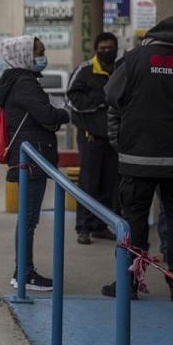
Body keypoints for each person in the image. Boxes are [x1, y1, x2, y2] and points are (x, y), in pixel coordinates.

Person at [103, 17, 173, 301]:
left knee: (133, 221)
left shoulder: (133, 60)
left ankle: (130, 283)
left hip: (137, 159)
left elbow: (112, 96)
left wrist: (121, 142)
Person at [0, 35, 69, 292]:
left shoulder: (16, 81)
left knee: (27, 218)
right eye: (39, 52)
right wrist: (66, 112)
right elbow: (46, 114)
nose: (42, 56)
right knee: (28, 219)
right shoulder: (25, 83)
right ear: (25, 55)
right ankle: (24, 273)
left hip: (29, 156)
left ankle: (23, 271)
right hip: (33, 157)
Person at [67, 31, 119, 244]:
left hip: (113, 138)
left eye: (110, 48)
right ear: (96, 50)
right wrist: (100, 100)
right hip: (91, 137)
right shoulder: (86, 70)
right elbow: (72, 97)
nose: (107, 52)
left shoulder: (120, 69)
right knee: (89, 183)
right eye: (103, 49)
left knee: (109, 184)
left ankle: (100, 225)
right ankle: (84, 227)